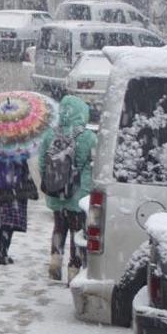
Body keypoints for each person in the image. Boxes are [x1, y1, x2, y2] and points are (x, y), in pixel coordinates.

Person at [38, 95, 97, 283]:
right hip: (78, 195)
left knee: (59, 227)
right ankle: (73, 268)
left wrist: (54, 182)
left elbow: (42, 164)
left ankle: (55, 260)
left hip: (56, 192)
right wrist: (85, 187)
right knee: (76, 232)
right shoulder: (88, 137)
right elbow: (94, 168)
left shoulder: (50, 135)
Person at [0, 156, 36, 265]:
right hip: (14, 191)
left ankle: (0, 244)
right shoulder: (17, 150)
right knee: (9, 223)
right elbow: (24, 171)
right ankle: (3, 249)